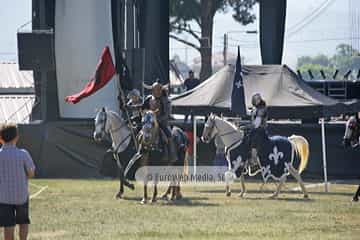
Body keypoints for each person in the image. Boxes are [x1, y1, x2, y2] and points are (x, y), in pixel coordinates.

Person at [0, 124, 35, 240]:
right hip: (21, 196)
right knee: (23, 222)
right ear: (17, 137)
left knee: (8, 225)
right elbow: (31, 173)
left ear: (0, 138)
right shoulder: (23, 153)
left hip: (3, 197)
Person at [142, 82, 178, 162]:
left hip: (161, 122)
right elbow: (142, 108)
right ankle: (140, 152)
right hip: (148, 121)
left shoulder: (165, 100)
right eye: (155, 90)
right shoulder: (148, 98)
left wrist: (158, 119)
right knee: (139, 132)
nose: (157, 91)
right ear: (153, 90)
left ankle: (171, 154)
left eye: (159, 90)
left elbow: (167, 113)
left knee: (168, 135)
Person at [249, 93, 268, 165]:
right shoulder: (255, 108)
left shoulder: (262, 109)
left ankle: (254, 160)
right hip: (254, 129)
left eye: (258, 99)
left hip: (260, 130)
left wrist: (249, 126)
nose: (257, 100)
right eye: (255, 99)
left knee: (254, 140)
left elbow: (257, 123)